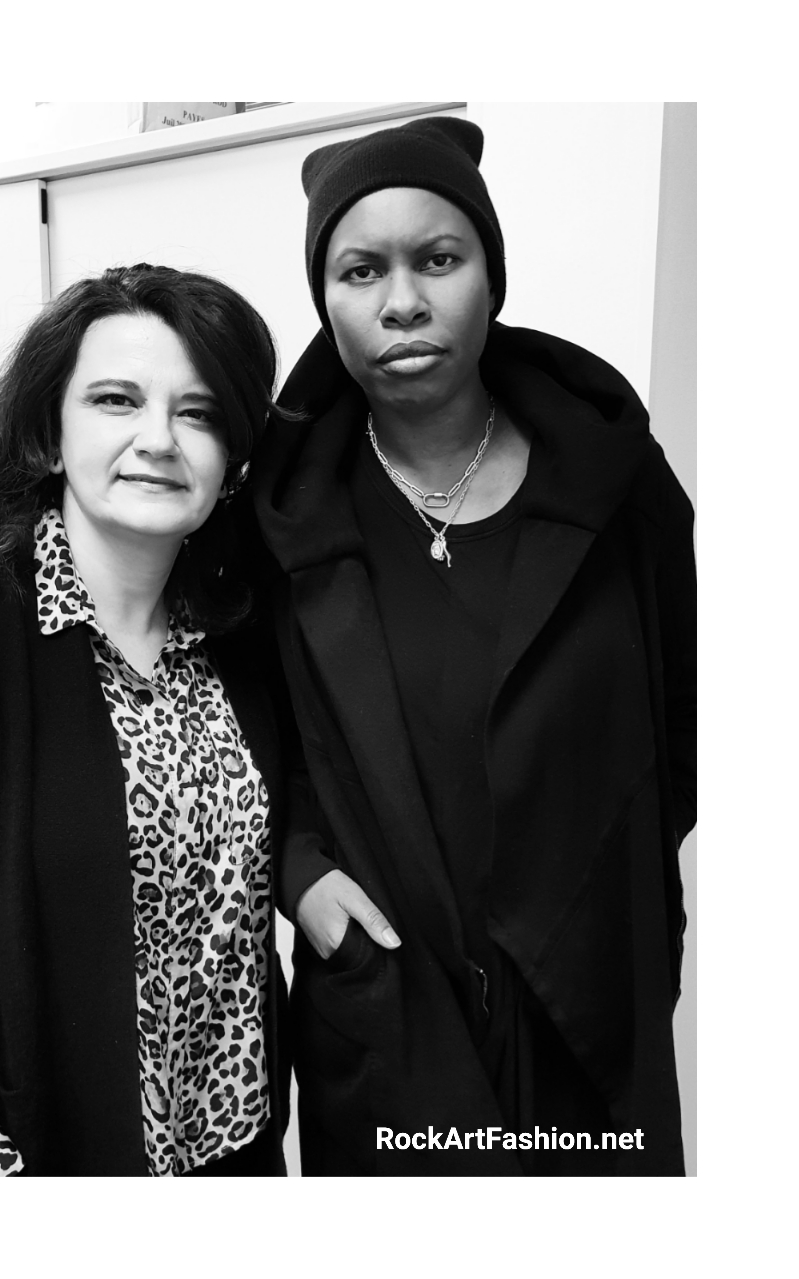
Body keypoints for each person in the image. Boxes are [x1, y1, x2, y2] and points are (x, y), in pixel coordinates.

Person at [253, 117, 696, 1175]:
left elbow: (687, 709)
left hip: (587, 994)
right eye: (361, 270)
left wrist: (615, 886)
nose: (401, 300)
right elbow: (247, 738)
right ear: (325, 299)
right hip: (393, 1006)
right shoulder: (281, 514)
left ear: (490, 278)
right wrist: (301, 879)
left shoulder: (613, 480)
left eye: (438, 259)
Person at [0, 263, 291, 1176]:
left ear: (231, 460)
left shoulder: (242, 638)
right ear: (49, 435)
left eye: (199, 412)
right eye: (116, 400)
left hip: (232, 1157)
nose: (159, 439)